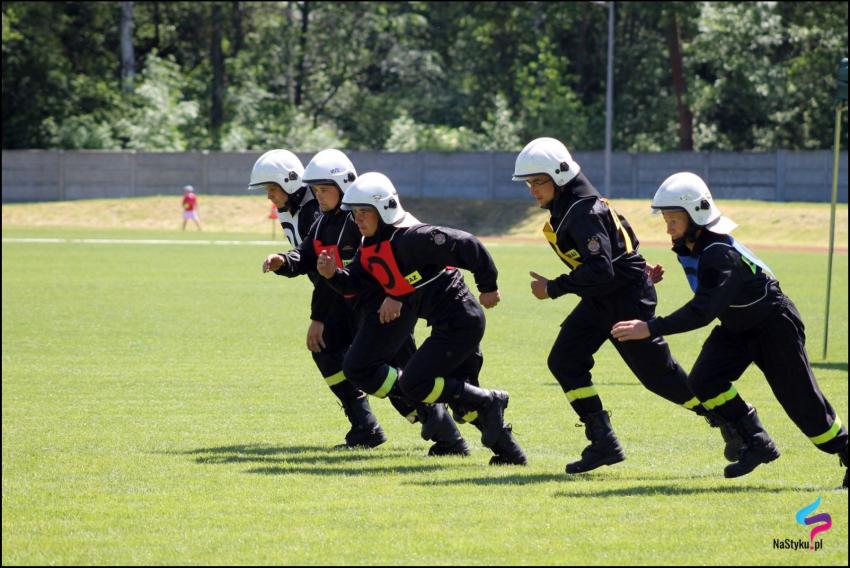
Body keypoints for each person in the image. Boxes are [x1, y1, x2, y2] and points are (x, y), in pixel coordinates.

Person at [511, 137, 739, 474]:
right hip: (605, 296)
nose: (532, 190)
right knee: (564, 361)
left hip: (623, 299)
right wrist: (637, 267)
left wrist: (553, 288)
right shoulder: (572, 207)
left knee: (659, 377)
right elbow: (620, 247)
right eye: (529, 183)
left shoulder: (582, 210)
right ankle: (603, 441)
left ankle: (729, 420)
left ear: (559, 176)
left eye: (537, 182)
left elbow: (601, 267)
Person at [611, 172, 848, 486]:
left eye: (673, 220)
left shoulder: (719, 253)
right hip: (737, 325)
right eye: (665, 219)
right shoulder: (695, 245)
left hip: (774, 324)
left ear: (696, 215)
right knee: (704, 380)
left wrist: (650, 327)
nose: (667, 228)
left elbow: (702, 311)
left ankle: (845, 449)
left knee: (804, 406)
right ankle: (757, 441)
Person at [259, 150, 469, 456]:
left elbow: (394, 260)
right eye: (315, 190)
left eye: (324, 189)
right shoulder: (323, 223)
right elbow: (308, 258)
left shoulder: (362, 220)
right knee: (336, 354)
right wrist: (283, 261)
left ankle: (450, 430)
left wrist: (394, 296)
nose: (318, 196)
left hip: (382, 308)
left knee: (392, 370)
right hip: (351, 307)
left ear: (345, 185)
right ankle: (367, 426)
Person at [316, 172, 528, 465]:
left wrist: (488, 286)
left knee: (418, 384)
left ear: (385, 208)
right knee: (460, 400)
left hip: (461, 322)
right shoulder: (371, 244)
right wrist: (333, 275)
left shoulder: (414, 237)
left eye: (364, 212)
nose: (358, 219)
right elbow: (355, 282)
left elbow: (467, 244)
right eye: (355, 213)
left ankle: (490, 400)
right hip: (446, 325)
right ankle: (511, 455)